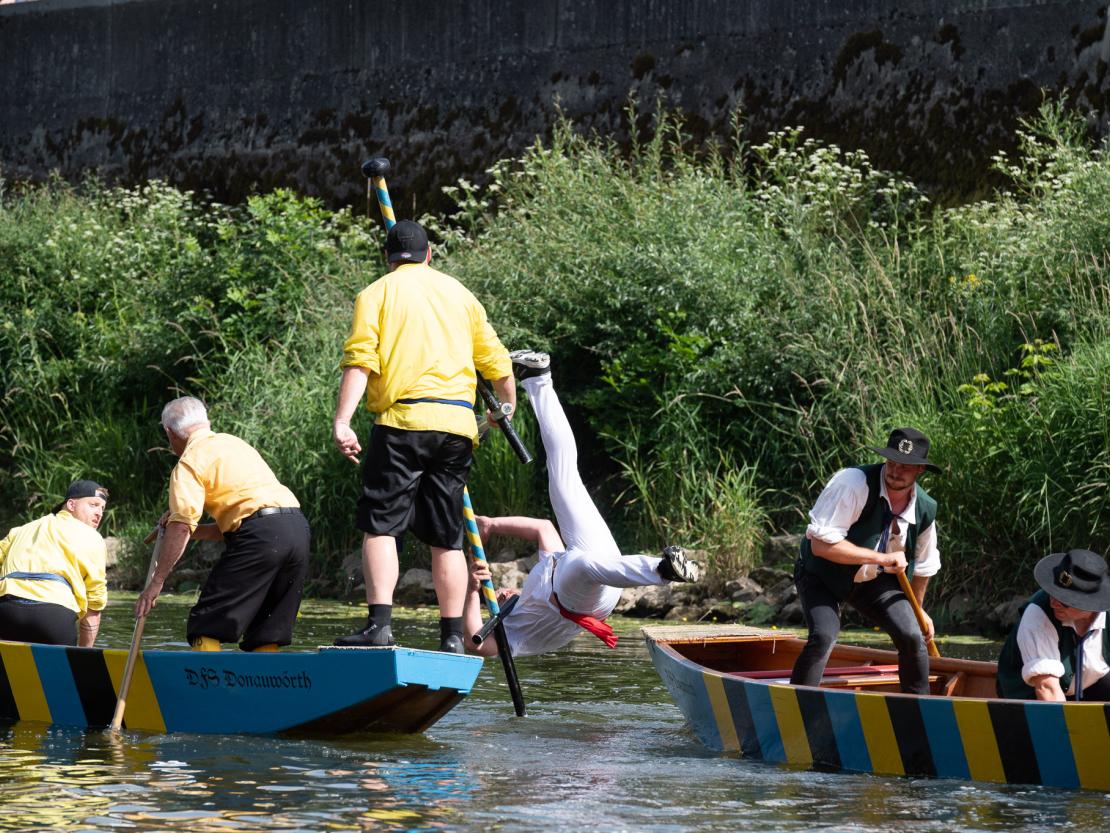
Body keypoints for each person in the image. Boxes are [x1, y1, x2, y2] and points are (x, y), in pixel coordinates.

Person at [332, 220, 514, 653]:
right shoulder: (461, 295)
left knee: (381, 526)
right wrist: (503, 408)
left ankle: (379, 627)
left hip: (401, 423)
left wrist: (343, 420)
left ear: (387, 259)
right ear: (430, 255)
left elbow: (361, 363)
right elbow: (498, 364)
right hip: (456, 428)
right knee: (446, 535)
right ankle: (452, 636)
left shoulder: (375, 294)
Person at [461, 350, 699, 657]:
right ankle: (663, 568)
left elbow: (543, 528)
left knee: (563, 477)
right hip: (581, 597)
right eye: (498, 596)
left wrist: (491, 524)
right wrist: (471, 591)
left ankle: (537, 378)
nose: (504, 592)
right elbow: (473, 642)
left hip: (599, 569)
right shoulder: (515, 632)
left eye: (502, 591)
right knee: (580, 565)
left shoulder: (539, 577)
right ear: (495, 610)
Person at [135, 396, 310, 652]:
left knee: (206, 622)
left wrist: (156, 582)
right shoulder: (235, 444)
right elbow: (238, 523)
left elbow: (182, 526)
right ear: (207, 422)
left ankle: (206, 684)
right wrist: (189, 530)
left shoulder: (188, 462)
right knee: (268, 627)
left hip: (261, 534)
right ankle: (266, 686)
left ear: (169, 433)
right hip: (296, 528)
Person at [790, 428, 941, 694]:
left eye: (904, 467)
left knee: (912, 636)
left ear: (920, 469)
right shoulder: (853, 483)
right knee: (824, 635)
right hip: (820, 573)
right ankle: (799, 704)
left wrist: (919, 611)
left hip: (872, 581)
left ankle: (918, 710)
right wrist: (881, 557)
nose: (895, 471)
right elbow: (820, 545)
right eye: (891, 462)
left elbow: (925, 568)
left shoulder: (925, 508)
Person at [0, 480, 109, 646]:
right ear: (71, 504)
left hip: (6, 612)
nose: (99, 513)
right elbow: (95, 602)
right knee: (62, 671)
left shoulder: (20, 530)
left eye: (102, 508)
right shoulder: (93, 538)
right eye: (93, 505)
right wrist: (84, 655)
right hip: (54, 618)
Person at [996, 549, 1110, 701]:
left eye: (1064, 600)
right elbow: (1047, 690)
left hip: (1090, 688)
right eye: (1052, 592)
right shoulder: (1038, 614)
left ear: (1091, 604)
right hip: (1031, 697)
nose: (1054, 602)